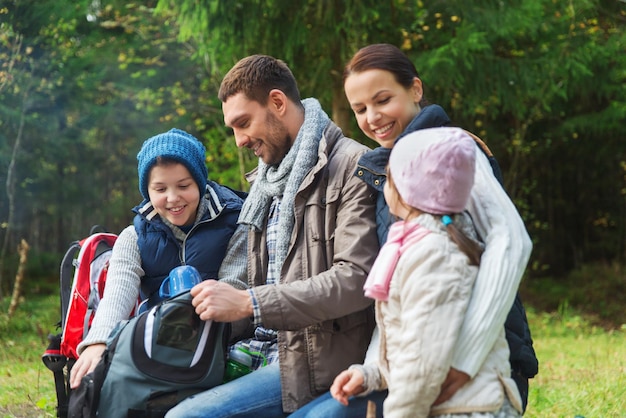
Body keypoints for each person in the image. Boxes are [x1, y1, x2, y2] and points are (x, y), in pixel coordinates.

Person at [290, 43, 536, 417]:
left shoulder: (451, 153)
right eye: (360, 109)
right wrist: (373, 369)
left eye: (382, 99)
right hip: (418, 373)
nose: (372, 117)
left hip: (480, 375)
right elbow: (397, 300)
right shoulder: (387, 172)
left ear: (415, 90)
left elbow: (511, 243)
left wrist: (464, 361)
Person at [164, 54, 379, 418]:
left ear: (277, 103)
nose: (238, 141)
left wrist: (252, 303)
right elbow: (250, 282)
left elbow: (355, 280)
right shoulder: (267, 185)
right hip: (259, 351)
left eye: (243, 123)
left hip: (317, 362)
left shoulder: (354, 168)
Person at [334, 127, 523, 417]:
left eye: (389, 177)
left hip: (469, 409)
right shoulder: (416, 245)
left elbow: (422, 363)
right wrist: (371, 374)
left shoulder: (434, 255)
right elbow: (408, 336)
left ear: (407, 189)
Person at [69, 128, 246, 389]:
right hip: (158, 343)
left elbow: (236, 289)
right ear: (147, 191)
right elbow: (118, 291)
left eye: (184, 186)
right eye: (160, 188)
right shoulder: (134, 237)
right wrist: (99, 341)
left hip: (222, 341)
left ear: (200, 182)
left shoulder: (235, 222)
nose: (173, 198)